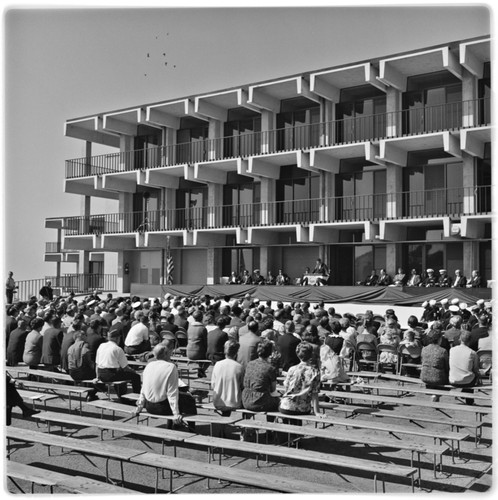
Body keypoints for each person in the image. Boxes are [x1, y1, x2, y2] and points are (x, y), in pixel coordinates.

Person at [134, 341, 188, 427]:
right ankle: (190, 428)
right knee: (189, 400)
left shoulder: (149, 365)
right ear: (167, 354)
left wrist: (139, 407)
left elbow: (143, 389)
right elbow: (172, 392)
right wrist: (176, 414)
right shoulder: (171, 366)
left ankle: (172, 426)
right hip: (163, 408)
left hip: (149, 407)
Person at [279, 342, 321, 419]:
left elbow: (286, 387)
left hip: (286, 406)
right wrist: (317, 412)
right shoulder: (314, 372)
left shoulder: (291, 369)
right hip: (302, 408)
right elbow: (315, 394)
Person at [95, 330, 142, 396]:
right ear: (117, 338)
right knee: (136, 377)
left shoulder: (101, 346)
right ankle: (136, 396)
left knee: (120, 373)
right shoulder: (117, 349)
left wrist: (97, 376)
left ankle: (122, 396)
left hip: (101, 373)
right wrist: (133, 371)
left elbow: (97, 364)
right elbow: (125, 367)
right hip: (111, 374)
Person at [242, 339, 280, 413]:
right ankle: (270, 423)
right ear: (270, 353)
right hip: (260, 401)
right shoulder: (270, 368)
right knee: (279, 402)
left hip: (246, 399)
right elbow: (273, 390)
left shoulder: (250, 364)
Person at [211, 340, 244, 416]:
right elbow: (242, 386)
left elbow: (213, 385)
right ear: (236, 352)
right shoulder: (239, 367)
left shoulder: (217, 364)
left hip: (218, 401)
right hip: (234, 402)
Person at [448, 331, 480, 405]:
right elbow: (475, 369)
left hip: (453, 380)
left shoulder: (452, 350)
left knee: (469, 375)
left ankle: (466, 395)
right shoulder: (472, 353)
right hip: (467, 381)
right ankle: (469, 401)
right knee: (472, 376)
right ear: (470, 340)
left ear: (460, 339)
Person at [420, 329, 449, 401]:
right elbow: (447, 366)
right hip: (438, 378)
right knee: (443, 376)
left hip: (424, 376)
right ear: (439, 339)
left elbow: (422, 361)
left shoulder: (424, 349)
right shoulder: (443, 351)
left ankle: (434, 394)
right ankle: (435, 394)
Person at [186, 309, 209, 377]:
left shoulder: (189, 327)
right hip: (198, 352)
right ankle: (202, 370)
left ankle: (201, 370)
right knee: (210, 355)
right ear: (201, 318)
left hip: (189, 352)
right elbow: (205, 342)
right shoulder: (202, 329)